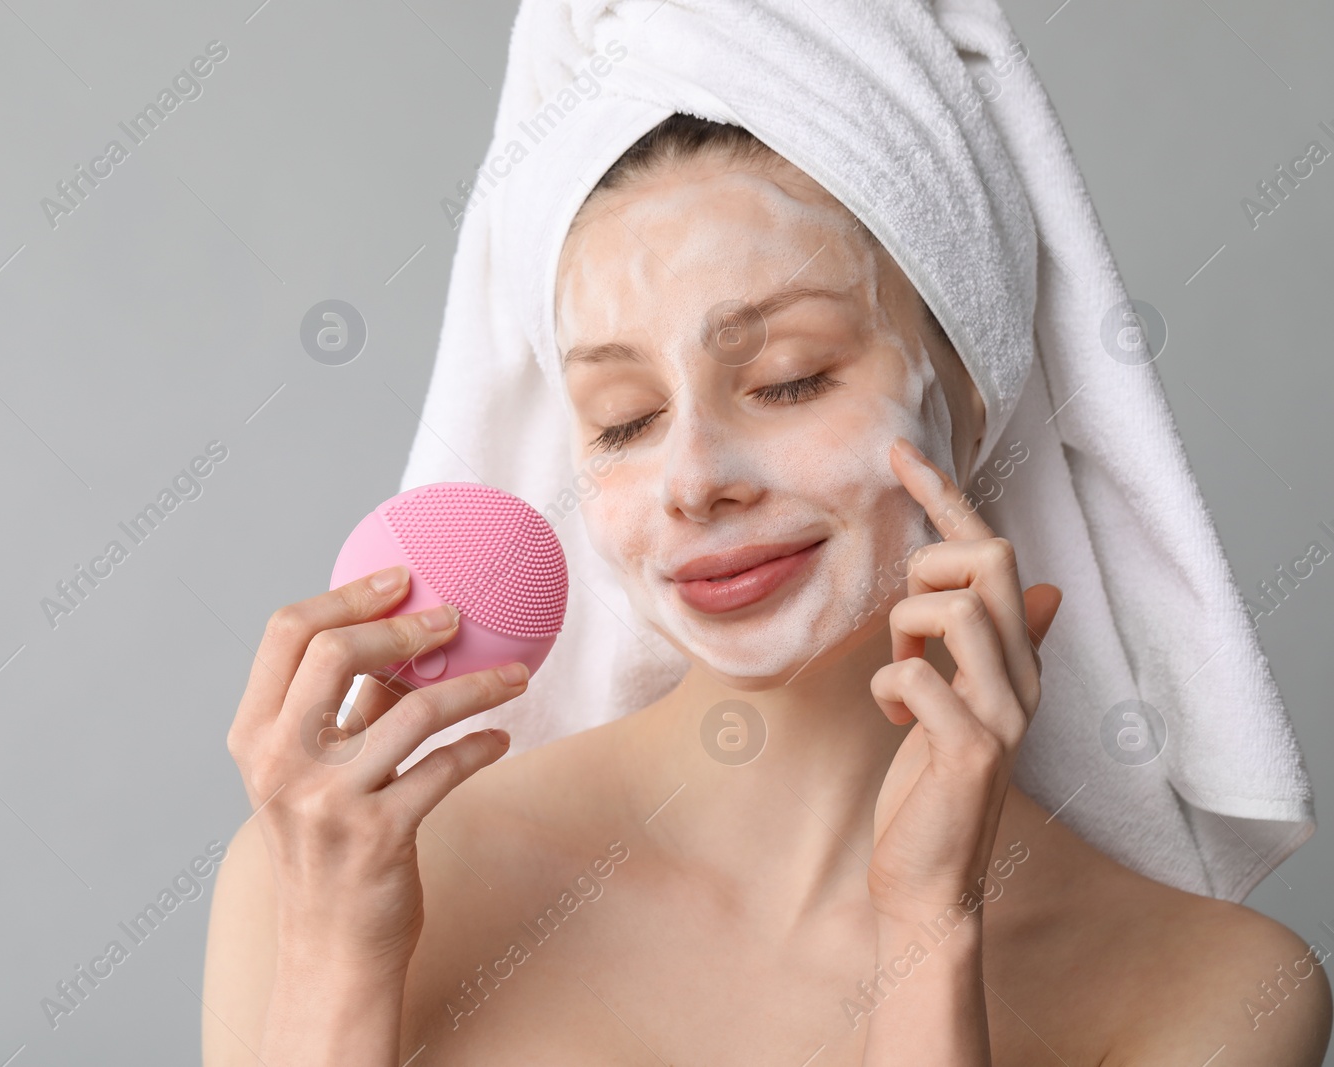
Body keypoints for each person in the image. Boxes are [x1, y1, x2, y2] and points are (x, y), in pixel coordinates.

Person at [199, 114, 1332, 1065]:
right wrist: (338, 970)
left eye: (789, 380)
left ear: (966, 398)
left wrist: (928, 930)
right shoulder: (337, 874)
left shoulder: (1212, 992)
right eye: (624, 421)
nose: (692, 480)